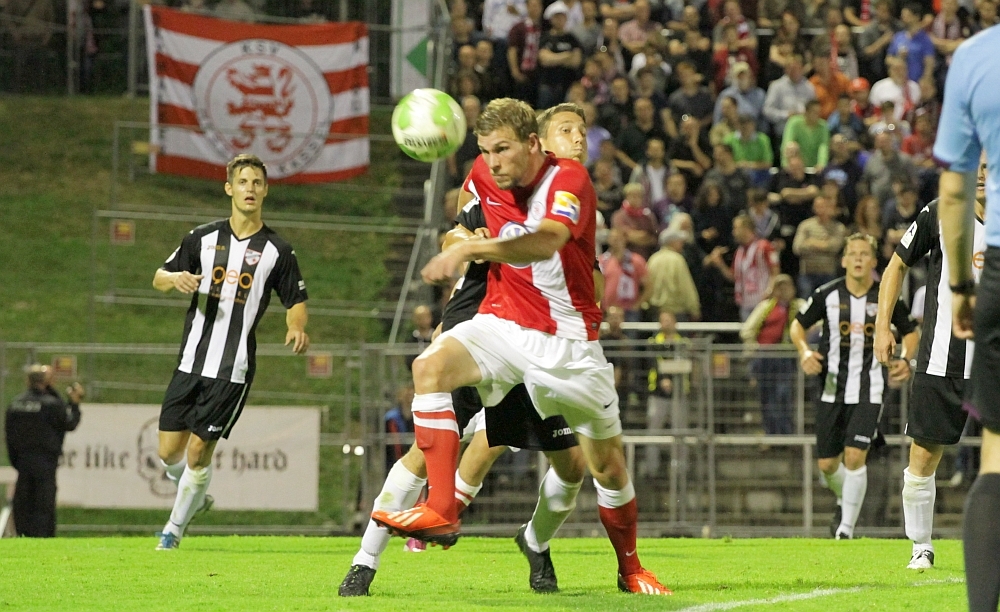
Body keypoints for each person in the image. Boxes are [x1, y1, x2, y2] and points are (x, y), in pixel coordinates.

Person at [371, 98, 670, 595]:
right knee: (430, 367)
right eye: (485, 151)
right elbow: (459, 230)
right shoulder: (484, 173)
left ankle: (630, 567)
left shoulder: (570, 180)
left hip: (566, 348)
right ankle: (441, 509)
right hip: (503, 325)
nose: (492, 162)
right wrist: (458, 247)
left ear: (532, 145)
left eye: (502, 150)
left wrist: (473, 247)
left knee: (606, 468)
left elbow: (546, 240)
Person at [339, 103, 592, 597]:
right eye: (567, 130)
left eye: (582, 131)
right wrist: (466, 240)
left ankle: (533, 541)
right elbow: (457, 229)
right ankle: (364, 562)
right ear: (538, 142)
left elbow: (591, 282)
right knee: (424, 448)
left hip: (540, 342)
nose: (578, 139)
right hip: (481, 322)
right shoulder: (497, 180)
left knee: (571, 467)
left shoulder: (574, 202)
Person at [151, 154, 310, 550]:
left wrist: (295, 327)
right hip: (191, 360)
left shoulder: (277, 250)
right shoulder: (201, 238)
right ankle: (195, 496)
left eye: (256, 182)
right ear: (229, 188)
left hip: (232, 368)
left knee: (198, 451)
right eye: (243, 182)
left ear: (265, 190)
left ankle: (173, 530)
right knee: (168, 453)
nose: (250, 189)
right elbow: (159, 277)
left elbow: (295, 299)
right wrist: (175, 279)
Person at [873, 155, 987, 570]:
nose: (981, 174)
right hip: (942, 359)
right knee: (923, 456)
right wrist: (883, 326)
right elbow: (896, 265)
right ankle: (921, 546)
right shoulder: (940, 212)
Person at [932, 26, 1000, 610]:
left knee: (996, 454)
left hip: (996, 269)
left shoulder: (975, 57)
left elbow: (952, 193)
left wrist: (959, 286)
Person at [790, 233, 918, 540]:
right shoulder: (826, 294)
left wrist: (905, 358)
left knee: (855, 456)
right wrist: (804, 352)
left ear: (873, 261)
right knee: (827, 465)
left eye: (864, 254)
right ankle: (843, 499)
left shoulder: (885, 296)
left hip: (870, 388)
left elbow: (911, 332)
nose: (858, 258)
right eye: (853, 254)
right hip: (830, 386)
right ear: (844, 260)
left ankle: (845, 530)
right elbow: (797, 326)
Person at [4, 365, 82, 537]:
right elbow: (69, 423)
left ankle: (23, 535)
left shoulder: (16, 404)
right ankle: (43, 537)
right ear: (48, 382)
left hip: (23, 462)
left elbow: (9, 435)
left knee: (23, 503)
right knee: (43, 503)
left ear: (28, 381)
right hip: (45, 462)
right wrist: (74, 403)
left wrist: (16, 460)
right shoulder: (51, 404)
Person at [740, 275, 801, 435]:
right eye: (780, 287)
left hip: (785, 358)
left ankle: (785, 434)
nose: (783, 291)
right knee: (767, 397)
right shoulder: (765, 307)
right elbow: (747, 330)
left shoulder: (799, 306)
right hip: (764, 357)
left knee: (783, 396)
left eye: (786, 287)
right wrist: (755, 348)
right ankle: (771, 433)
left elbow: (815, 323)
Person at [709, 213, 780, 321]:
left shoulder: (764, 246)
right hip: (745, 304)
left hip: (763, 301)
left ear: (746, 229)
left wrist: (770, 291)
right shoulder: (739, 252)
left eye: (736, 228)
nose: (733, 232)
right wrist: (720, 264)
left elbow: (775, 271)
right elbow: (733, 277)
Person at [792, 195, 847, 297]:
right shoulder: (805, 225)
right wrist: (823, 244)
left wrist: (811, 242)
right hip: (807, 272)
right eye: (817, 206)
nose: (820, 209)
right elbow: (797, 247)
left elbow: (835, 247)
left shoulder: (838, 228)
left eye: (823, 206)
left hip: (828, 273)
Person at [645, 228, 701, 321]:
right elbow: (685, 287)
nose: (682, 244)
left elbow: (647, 284)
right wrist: (694, 309)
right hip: (676, 312)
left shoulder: (653, 259)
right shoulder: (677, 259)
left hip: (656, 311)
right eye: (679, 241)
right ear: (672, 242)